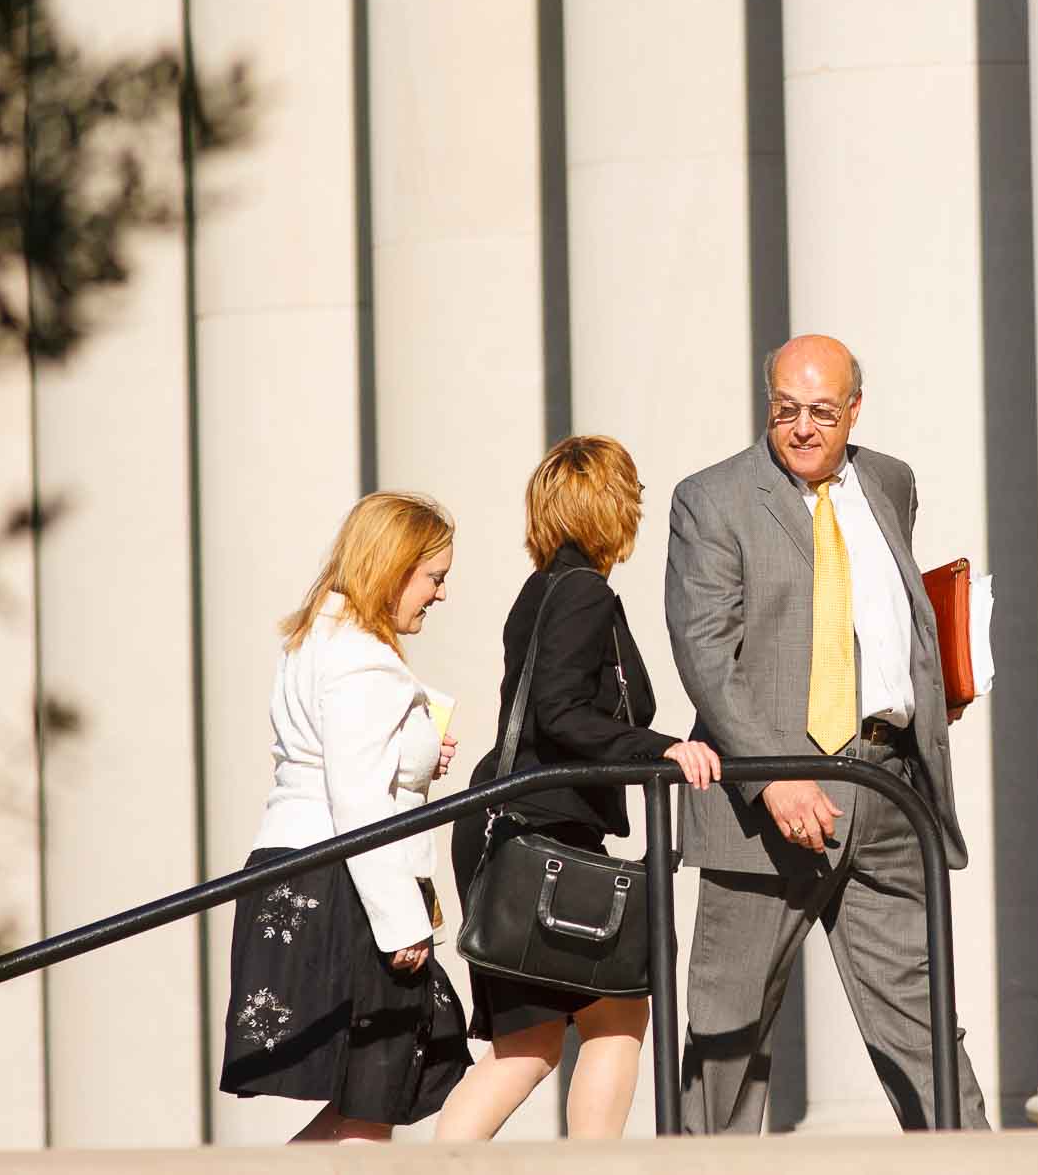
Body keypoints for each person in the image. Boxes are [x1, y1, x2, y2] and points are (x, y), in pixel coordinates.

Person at [665, 334, 990, 1132]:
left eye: (819, 411)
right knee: (727, 1035)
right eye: (784, 410)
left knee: (924, 1025)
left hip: (885, 789)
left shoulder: (889, 481)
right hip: (764, 805)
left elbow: (887, 620)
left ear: (853, 411)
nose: (801, 428)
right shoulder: (712, 499)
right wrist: (772, 776)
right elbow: (706, 653)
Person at [437, 435, 720, 1141]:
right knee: (560, 1038)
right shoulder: (583, 593)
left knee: (563, 1034)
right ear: (613, 506)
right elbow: (561, 712)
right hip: (543, 831)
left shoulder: (543, 590)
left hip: (519, 825)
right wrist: (665, 749)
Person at [219, 491, 472, 1143]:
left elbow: (336, 764)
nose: (440, 595)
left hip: (299, 868)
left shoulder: (315, 642)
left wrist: (416, 752)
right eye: (433, 578)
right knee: (373, 1096)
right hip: (348, 885)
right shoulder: (364, 659)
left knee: (368, 1099)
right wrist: (399, 922)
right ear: (393, 569)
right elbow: (358, 800)